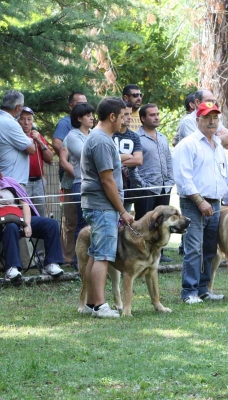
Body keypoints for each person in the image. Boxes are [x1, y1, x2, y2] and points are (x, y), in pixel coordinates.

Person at [172, 101, 228, 304]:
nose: (212, 121)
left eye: (215, 118)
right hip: (194, 203)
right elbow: (183, 178)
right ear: (197, 119)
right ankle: (189, 292)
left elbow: (224, 176)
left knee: (210, 248)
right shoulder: (188, 144)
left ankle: (203, 289)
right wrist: (200, 201)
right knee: (193, 247)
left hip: (216, 204)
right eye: (207, 117)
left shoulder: (218, 146)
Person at [80, 97, 134, 318]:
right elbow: (107, 180)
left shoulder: (101, 138)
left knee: (95, 253)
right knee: (103, 255)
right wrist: (122, 210)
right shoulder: (101, 141)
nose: (124, 120)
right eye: (122, 116)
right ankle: (101, 306)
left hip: (100, 206)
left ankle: (93, 303)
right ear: (112, 116)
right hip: (102, 207)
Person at [0, 157, 64, 281]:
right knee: (11, 227)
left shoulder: (9, 182)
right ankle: (12, 268)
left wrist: (28, 224)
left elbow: (25, 203)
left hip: (20, 219)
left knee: (51, 224)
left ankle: (51, 264)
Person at [52, 91, 87, 267]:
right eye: (80, 105)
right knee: (71, 220)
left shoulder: (89, 129)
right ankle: (67, 258)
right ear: (71, 106)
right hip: (71, 180)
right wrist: (75, 171)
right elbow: (59, 145)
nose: (85, 109)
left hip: (85, 180)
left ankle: (80, 257)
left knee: (81, 220)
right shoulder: (66, 124)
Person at [135, 103, 174, 263]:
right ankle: (139, 251)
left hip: (164, 187)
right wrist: (141, 183)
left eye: (157, 114)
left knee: (162, 221)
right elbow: (132, 165)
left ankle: (159, 252)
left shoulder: (163, 137)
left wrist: (171, 180)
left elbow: (169, 160)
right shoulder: (136, 137)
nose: (156, 117)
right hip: (147, 188)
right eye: (152, 115)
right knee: (144, 221)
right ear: (143, 118)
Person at [59, 102, 95, 262]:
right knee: (81, 225)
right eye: (88, 115)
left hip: (95, 184)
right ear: (79, 118)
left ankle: (93, 259)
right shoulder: (73, 135)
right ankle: (78, 261)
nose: (92, 118)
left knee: (94, 225)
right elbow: (85, 155)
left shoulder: (94, 133)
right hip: (80, 184)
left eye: (92, 114)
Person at [0, 90, 36, 186]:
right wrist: (30, 140)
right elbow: (31, 149)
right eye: (22, 106)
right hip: (13, 181)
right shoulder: (10, 123)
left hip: (5, 178)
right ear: (18, 107)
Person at [17, 106, 53, 217]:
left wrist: (40, 142)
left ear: (33, 122)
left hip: (38, 182)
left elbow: (50, 159)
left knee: (40, 213)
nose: (26, 123)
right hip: (23, 182)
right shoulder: (16, 136)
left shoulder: (37, 136)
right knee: (23, 214)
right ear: (17, 121)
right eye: (22, 119)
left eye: (29, 119)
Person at [112, 102, 144, 210]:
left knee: (125, 218)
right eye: (125, 114)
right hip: (110, 182)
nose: (129, 117)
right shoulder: (110, 134)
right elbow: (105, 159)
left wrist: (116, 160)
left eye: (130, 114)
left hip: (128, 184)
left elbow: (138, 160)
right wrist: (127, 156)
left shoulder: (134, 136)